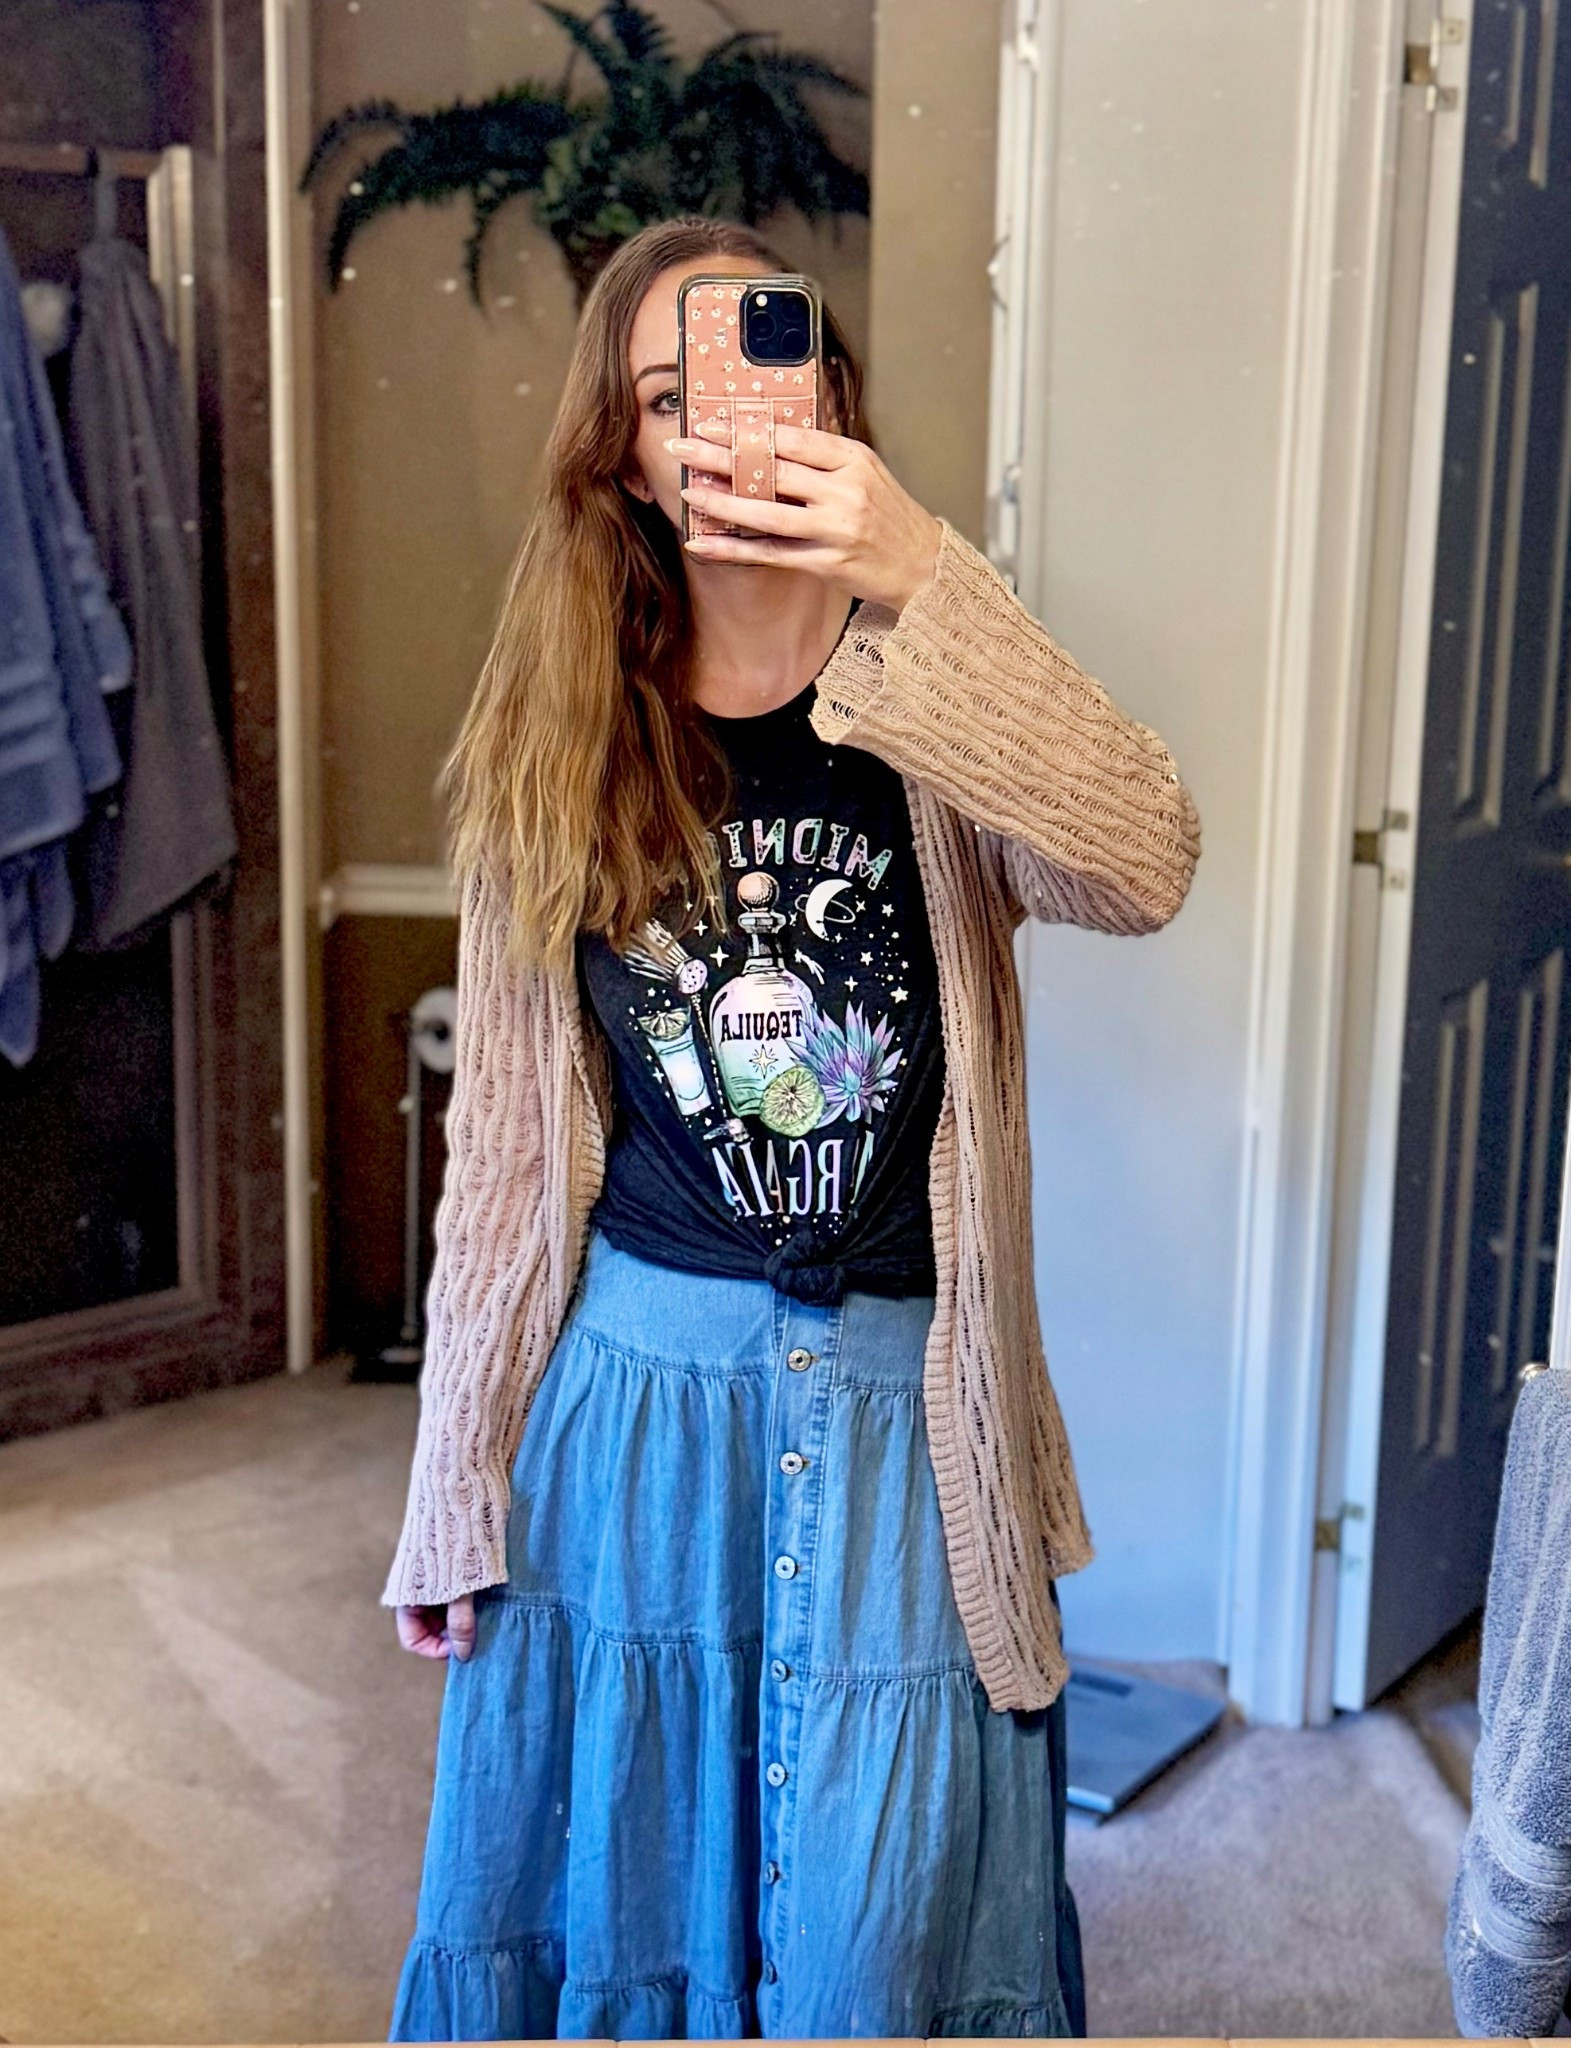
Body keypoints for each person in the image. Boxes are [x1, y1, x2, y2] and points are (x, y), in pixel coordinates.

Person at [382, 214, 1200, 2042]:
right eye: (668, 397)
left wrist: (926, 577)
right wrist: (453, 1484)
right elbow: (504, 1159)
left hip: (915, 1415)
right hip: (638, 1414)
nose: (722, 425)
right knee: (630, 1897)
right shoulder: (556, 731)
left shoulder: (936, 699)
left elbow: (1146, 860)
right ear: (625, 455)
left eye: (761, 364)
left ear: (829, 393)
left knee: (880, 1925)